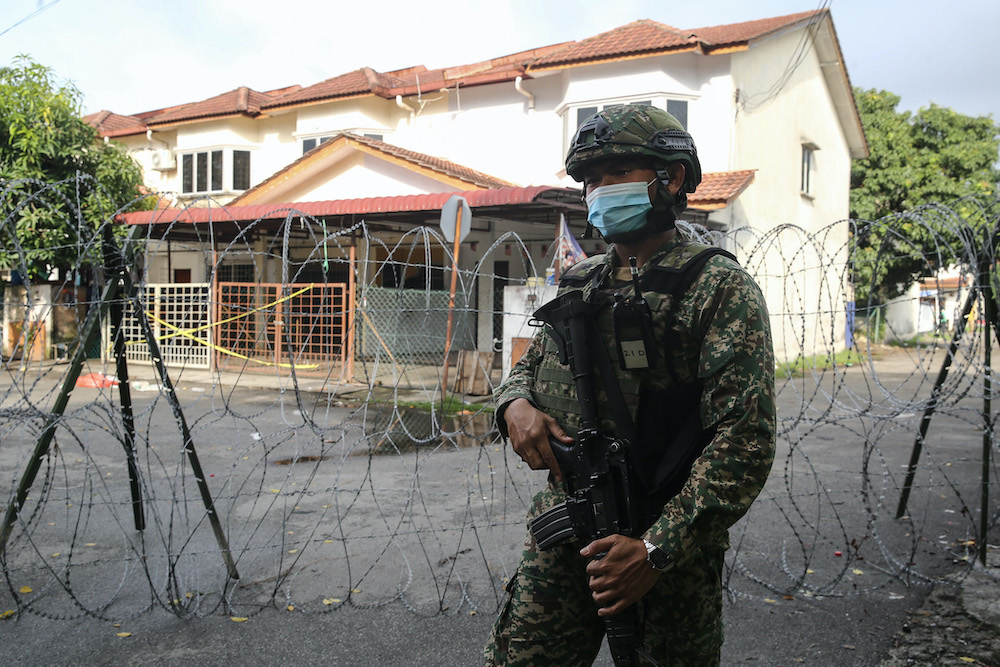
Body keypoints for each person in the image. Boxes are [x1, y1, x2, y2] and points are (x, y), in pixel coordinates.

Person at [484, 104, 776, 666]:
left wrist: (656, 549)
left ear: (670, 179)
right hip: (569, 521)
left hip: (666, 545)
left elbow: (745, 442)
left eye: (616, 174)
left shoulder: (716, 288)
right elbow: (533, 363)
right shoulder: (583, 282)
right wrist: (513, 405)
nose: (599, 190)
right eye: (591, 179)